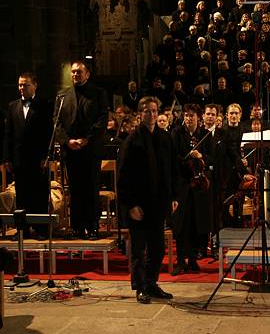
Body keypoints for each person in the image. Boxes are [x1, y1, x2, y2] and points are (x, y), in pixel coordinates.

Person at [117, 96, 178, 304]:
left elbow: (172, 169)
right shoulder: (131, 140)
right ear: (140, 114)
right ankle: (140, 287)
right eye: (147, 111)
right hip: (139, 204)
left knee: (158, 247)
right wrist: (131, 204)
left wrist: (173, 196)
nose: (152, 114)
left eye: (154, 111)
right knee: (139, 250)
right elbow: (123, 176)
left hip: (159, 202)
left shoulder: (165, 137)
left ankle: (151, 283)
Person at [55, 60, 108, 239]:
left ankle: (92, 226)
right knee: (75, 189)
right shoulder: (62, 96)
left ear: (87, 74)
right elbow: (57, 123)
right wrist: (67, 141)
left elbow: (101, 121)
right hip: (70, 149)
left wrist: (86, 139)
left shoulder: (99, 94)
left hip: (90, 148)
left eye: (79, 72)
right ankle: (76, 226)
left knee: (91, 187)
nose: (75, 75)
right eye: (73, 72)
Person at [3, 72, 52, 240]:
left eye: (25, 84)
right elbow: (8, 134)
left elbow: (48, 133)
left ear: (35, 85)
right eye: (20, 85)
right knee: (21, 194)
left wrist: (46, 156)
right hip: (19, 159)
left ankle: (40, 230)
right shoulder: (12, 106)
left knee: (39, 194)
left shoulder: (45, 105)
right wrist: (7, 158)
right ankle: (21, 229)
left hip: (38, 159)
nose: (22, 88)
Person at [170, 104, 213, 275]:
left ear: (199, 117)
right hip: (182, 182)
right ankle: (181, 260)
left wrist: (201, 156)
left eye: (192, 116)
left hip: (199, 184)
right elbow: (174, 157)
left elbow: (212, 157)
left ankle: (193, 259)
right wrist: (187, 160)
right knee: (181, 223)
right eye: (186, 115)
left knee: (196, 222)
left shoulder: (205, 135)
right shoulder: (176, 133)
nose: (189, 118)